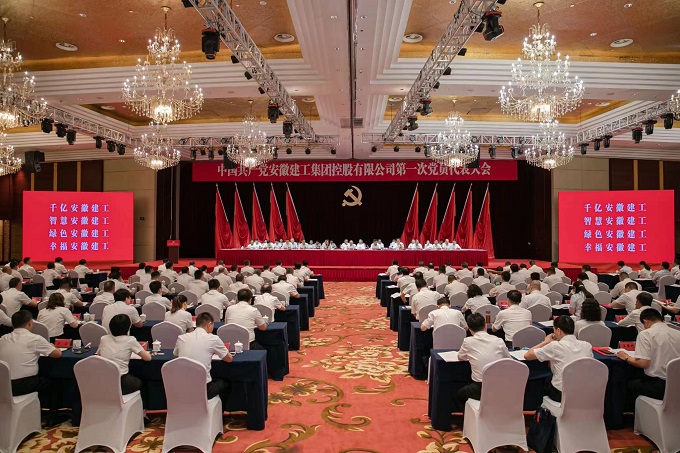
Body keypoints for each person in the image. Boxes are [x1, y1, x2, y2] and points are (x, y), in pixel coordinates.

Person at [615, 308, 680, 409]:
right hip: (676, 383)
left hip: (659, 386)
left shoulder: (646, 334)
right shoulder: (677, 333)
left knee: (628, 385)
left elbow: (643, 363)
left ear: (645, 321)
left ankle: (631, 415)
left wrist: (626, 357)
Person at [525, 315, 593, 402]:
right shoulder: (587, 345)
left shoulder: (555, 346)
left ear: (558, 330)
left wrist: (546, 342)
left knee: (546, 380)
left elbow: (528, 355)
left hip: (561, 393)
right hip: (584, 390)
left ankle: (539, 408)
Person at [0, 310, 62, 400]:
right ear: (30, 323)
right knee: (57, 382)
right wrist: (53, 347)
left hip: (3, 384)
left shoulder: (3, 339)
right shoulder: (35, 338)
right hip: (24, 384)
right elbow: (57, 354)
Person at [455, 313, 510, 411]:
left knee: (458, 396)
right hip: (500, 385)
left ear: (470, 330)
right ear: (485, 326)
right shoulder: (499, 340)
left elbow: (460, 357)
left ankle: (469, 419)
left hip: (479, 387)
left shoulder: (468, 341)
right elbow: (508, 360)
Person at [174, 312, 232, 399]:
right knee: (225, 382)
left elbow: (176, 357)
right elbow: (229, 359)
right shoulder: (213, 339)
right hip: (203, 389)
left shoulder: (181, 338)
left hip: (182, 387)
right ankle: (218, 407)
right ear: (209, 325)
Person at [96, 314, 151, 402]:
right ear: (128, 328)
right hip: (121, 381)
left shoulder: (104, 339)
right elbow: (147, 358)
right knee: (143, 382)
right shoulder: (130, 340)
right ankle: (141, 408)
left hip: (103, 380)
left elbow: (97, 356)